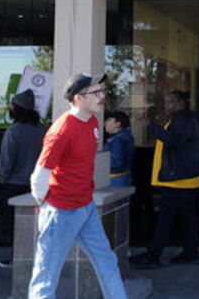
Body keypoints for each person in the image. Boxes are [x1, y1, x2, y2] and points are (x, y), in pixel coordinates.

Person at [27, 73, 127, 299]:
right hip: (60, 211)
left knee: (107, 262)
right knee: (45, 280)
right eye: (96, 92)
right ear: (78, 98)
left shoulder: (92, 122)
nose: (102, 96)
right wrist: (46, 208)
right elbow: (39, 177)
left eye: (102, 91)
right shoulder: (61, 130)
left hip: (86, 207)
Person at [130, 90, 199, 268]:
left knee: (165, 218)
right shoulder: (180, 118)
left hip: (179, 180)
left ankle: (153, 256)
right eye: (166, 102)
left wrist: (151, 126)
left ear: (181, 104)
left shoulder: (184, 119)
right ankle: (190, 253)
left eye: (171, 102)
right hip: (181, 179)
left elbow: (173, 140)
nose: (167, 105)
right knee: (187, 219)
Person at [0, 90, 44, 269]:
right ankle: (33, 258)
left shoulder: (13, 131)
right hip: (38, 184)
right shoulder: (41, 129)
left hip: (14, 185)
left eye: (12, 106)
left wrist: (2, 177)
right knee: (34, 225)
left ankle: (18, 258)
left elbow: (6, 161)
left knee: (15, 226)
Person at [104, 110, 134, 187]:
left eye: (110, 120)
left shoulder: (117, 140)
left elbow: (116, 162)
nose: (105, 123)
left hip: (115, 178)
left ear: (118, 124)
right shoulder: (127, 136)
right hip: (124, 177)